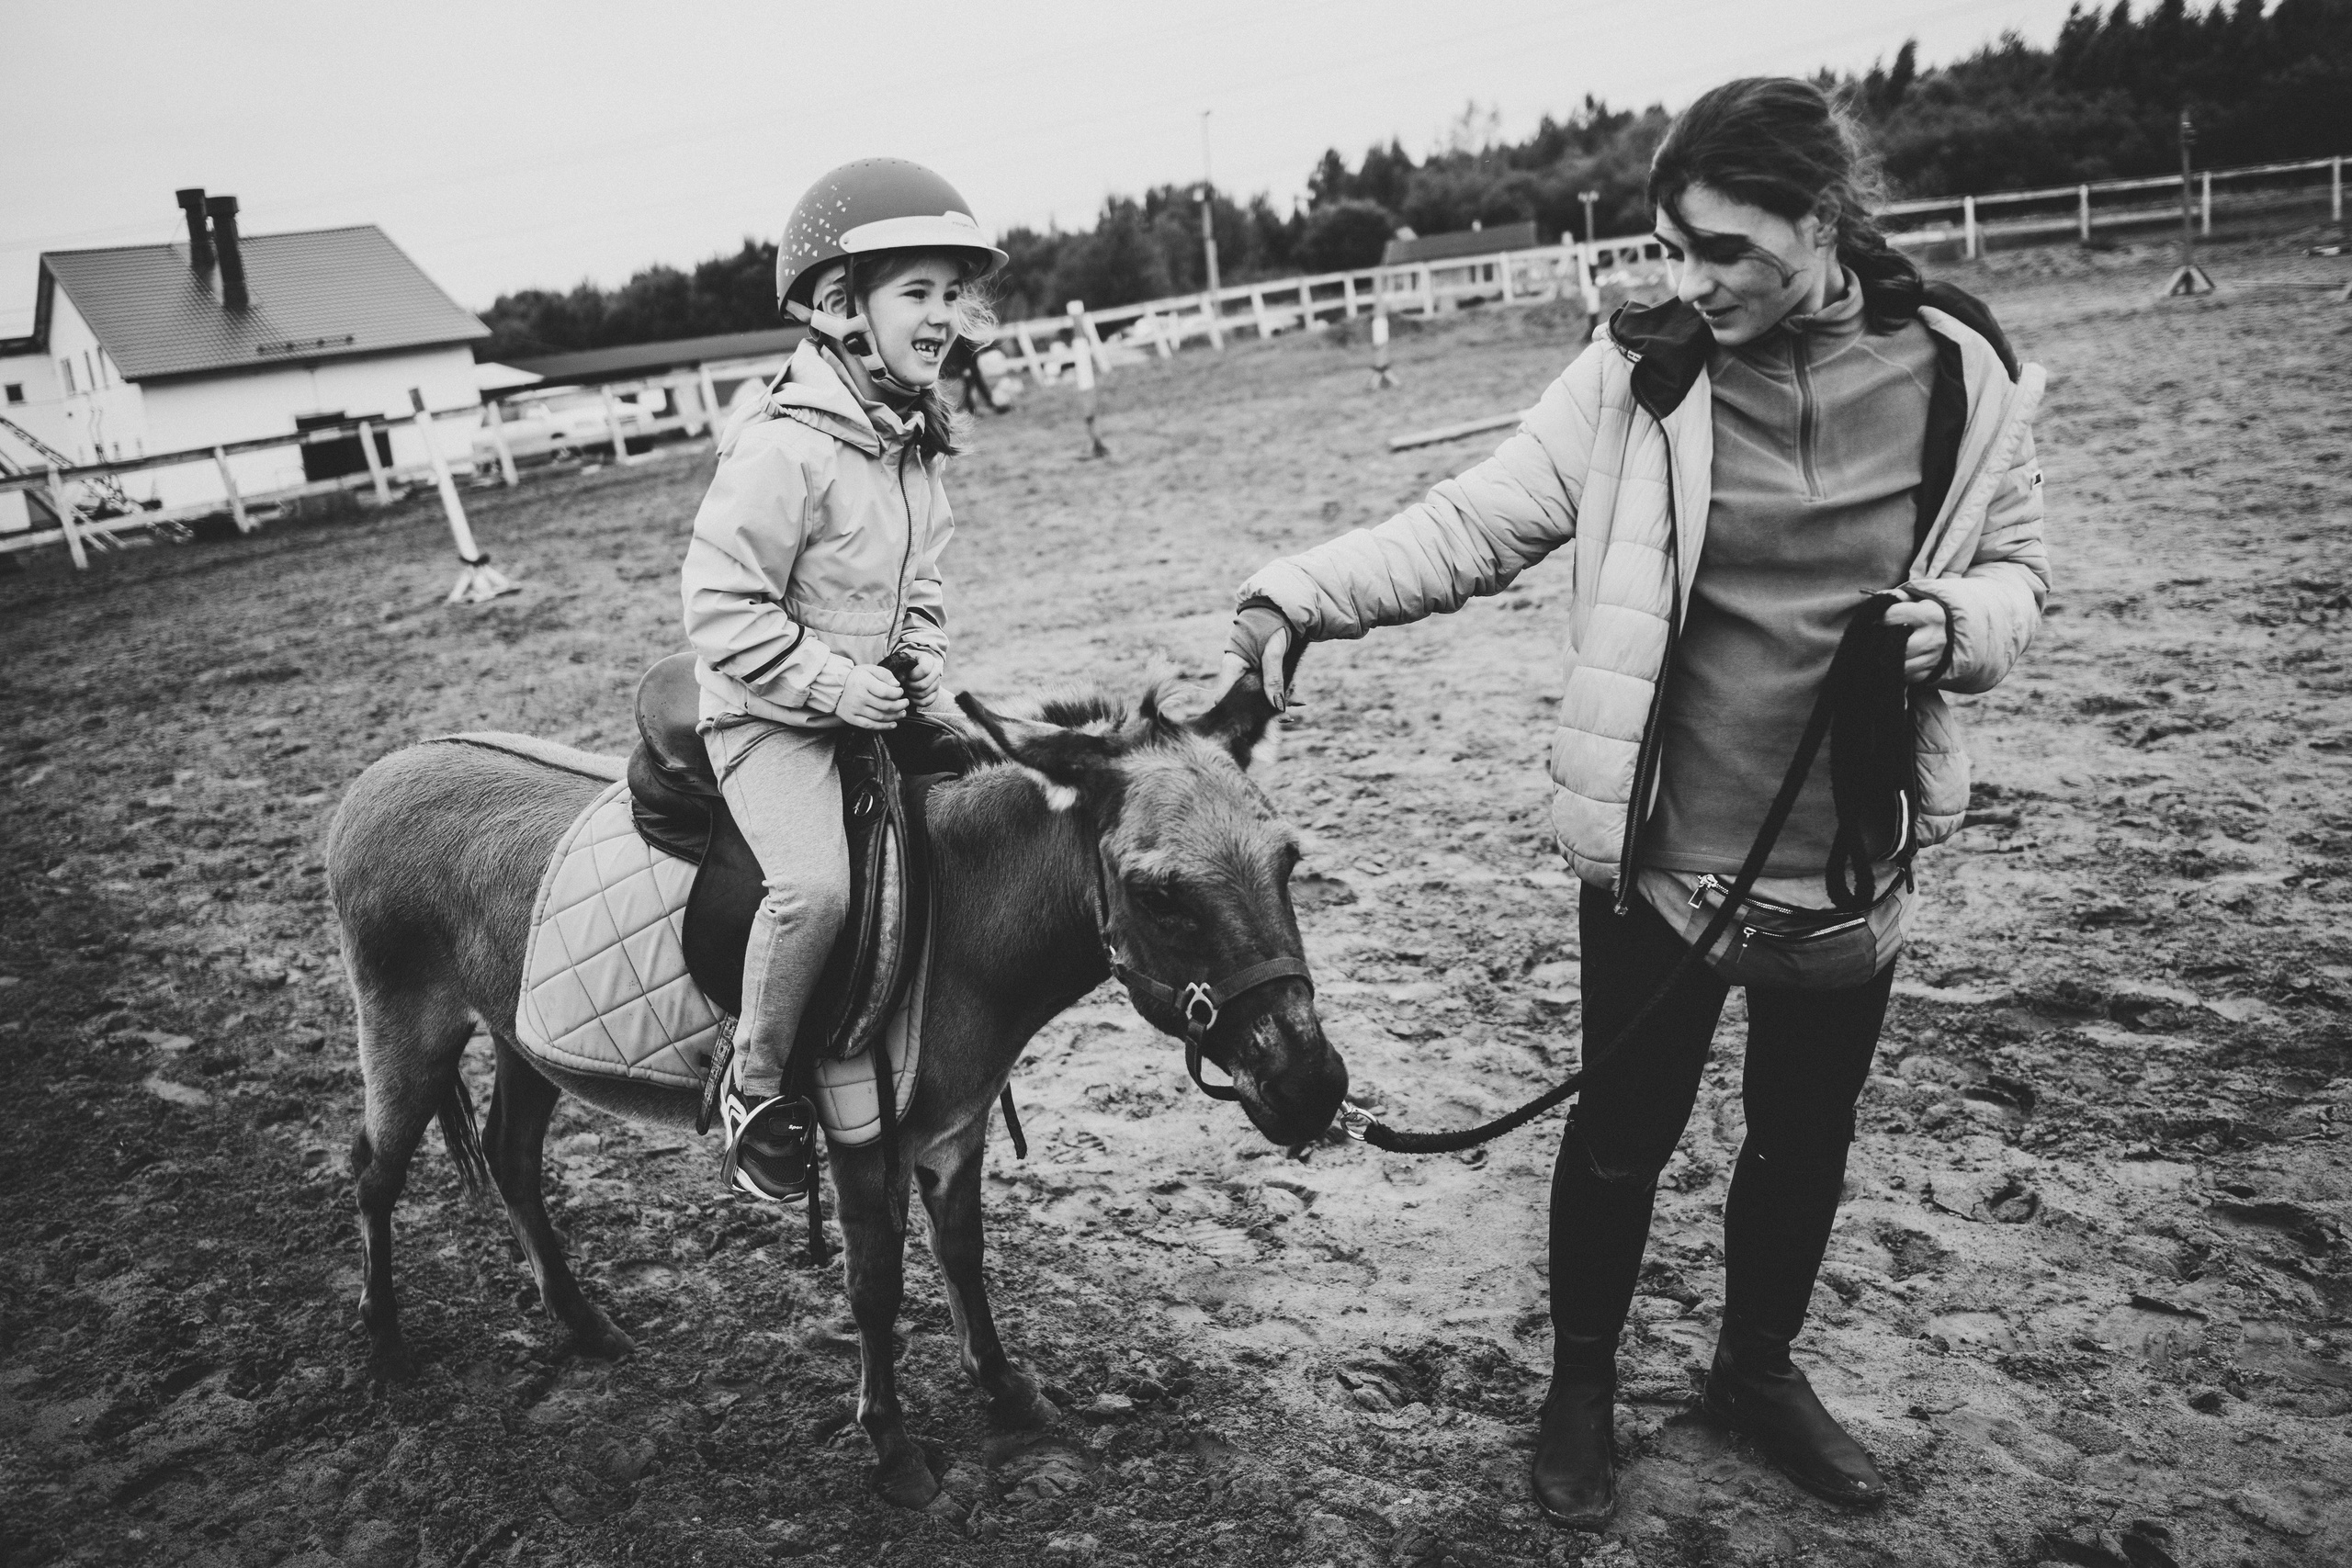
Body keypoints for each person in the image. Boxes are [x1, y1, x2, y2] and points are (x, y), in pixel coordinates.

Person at [1218, 78, 2048, 1527]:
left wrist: (1959, 624)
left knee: (1806, 1140)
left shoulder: (1962, 366)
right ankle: (1583, 1386)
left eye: (1725, 248)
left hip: (1848, 861)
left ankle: (1757, 1370)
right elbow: (1473, 521)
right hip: (1660, 859)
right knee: (1619, 1136)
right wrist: (1298, 593)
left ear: (1822, 216)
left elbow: (2025, 570)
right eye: (1671, 245)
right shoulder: (1640, 374)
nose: (1692, 280)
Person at [681, 158, 1003, 1202]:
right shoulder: (783, 449)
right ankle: (755, 1082)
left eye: (952, 292)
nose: (945, 314)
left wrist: (916, 660)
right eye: (917, 291)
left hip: (868, 696)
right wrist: (830, 686)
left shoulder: (911, 440)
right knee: (814, 888)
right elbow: (720, 606)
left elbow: (923, 584)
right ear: (838, 307)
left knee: (990, 801)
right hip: (769, 715)